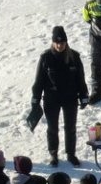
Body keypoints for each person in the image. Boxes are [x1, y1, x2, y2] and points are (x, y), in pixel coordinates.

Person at [31, 26, 89, 167]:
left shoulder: (74, 57)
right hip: (52, 99)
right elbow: (39, 81)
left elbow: (80, 78)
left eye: (62, 42)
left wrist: (84, 95)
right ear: (53, 42)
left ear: (66, 42)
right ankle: (53, 153)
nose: (60, 45)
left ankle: (71, 153)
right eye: (57, 42)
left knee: (70, 127)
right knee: (52, 128)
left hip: (70, 98)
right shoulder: (45, 58)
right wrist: (35, 99)